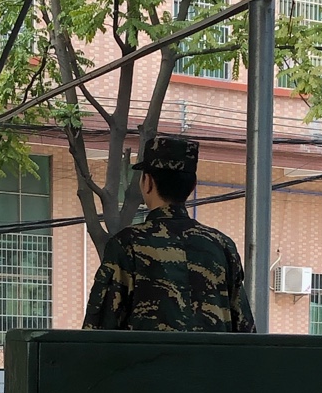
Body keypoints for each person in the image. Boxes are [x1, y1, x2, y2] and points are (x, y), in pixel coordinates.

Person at [82, 136, 255, 333]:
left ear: (147, 182)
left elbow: (98, 331)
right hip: (211, 355)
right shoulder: (222, 246)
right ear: (193, 185)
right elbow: (245, 331)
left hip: (148, 355)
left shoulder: (127, 244)